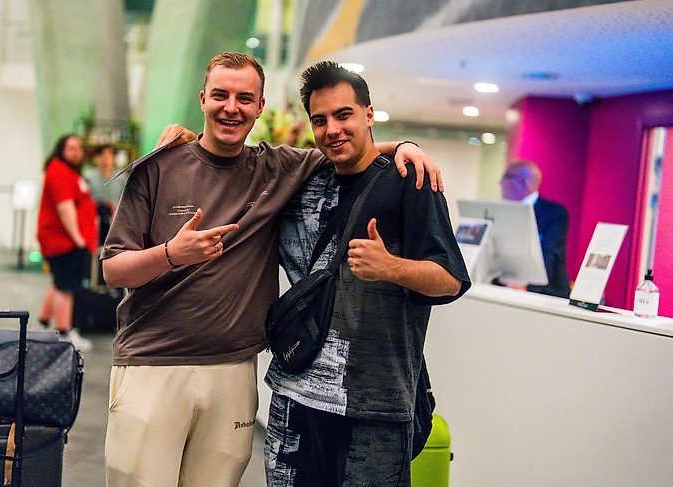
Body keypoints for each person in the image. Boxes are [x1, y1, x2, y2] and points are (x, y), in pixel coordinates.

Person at [100, 51, 443, 487]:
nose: (231, 108)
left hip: (233, 369)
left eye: (245, 98)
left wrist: (408, 146)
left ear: (260, 107)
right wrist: (171, 253)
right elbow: (114, 271)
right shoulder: (158, 167)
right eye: (220, 95)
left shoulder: (278, 167)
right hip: (153, 364)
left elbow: (347, 147)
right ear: (202, 99)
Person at [262, 61, 470, 487]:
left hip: (375, 408)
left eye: (344, 115)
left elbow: (450, 280)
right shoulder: (305, 181)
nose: (332, 130)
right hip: (294, 397)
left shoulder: (409, 182)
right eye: (320, 120)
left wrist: (392, 267)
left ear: (369, 114)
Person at [36, 134, 96, 352]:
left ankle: (43, 324)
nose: (76, 152)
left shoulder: (69, 173)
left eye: (79, 148)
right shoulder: (59, 171)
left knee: (59, 282)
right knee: (66, 288)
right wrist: (78, 239)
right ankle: (64, 333)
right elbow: (65, 209)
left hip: (65, 240)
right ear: (61, 149)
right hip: (63, 241)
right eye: (71, 148)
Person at [500, 159, 571, 298]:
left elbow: (550, 255)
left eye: (505, 177)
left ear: (519, 181)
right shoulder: (504, 212)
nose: (501, 183)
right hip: (507, 289)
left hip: (546, 294)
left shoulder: (554, 213)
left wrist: (526, 287)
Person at [83, 143, 126, 244]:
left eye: (109, 154)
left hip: (115, 221)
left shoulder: (122, 178)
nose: (105, 158)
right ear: (96, 158)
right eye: (102, 154)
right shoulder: (88, 177)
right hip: (93, 220)